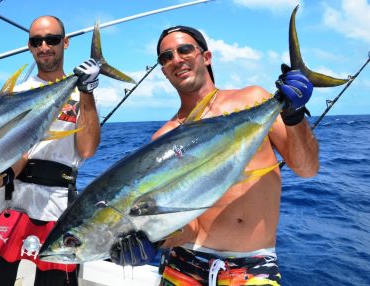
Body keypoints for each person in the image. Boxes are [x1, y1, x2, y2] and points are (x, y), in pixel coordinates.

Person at [109, 26, 318, 286]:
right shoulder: (164, 139)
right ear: (163, 70)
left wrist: (295, 116)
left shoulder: (253, 100)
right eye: (166, 57)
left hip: (252, 268)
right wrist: (155, 241)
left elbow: (306, 168)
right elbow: (191, 228)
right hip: (183, 266)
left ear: (206, 57)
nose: (176, 59)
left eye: (185, 49)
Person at [0, 16, 101, 286]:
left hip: (56, 208)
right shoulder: (14, 96)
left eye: (52, 39)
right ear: (29, 47)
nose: (44, 46)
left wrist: (86, 91)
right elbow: (6, 154)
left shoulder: (80, 97)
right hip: (9, 203)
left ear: (65, 43)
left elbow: (87, 150)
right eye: (36, 41)